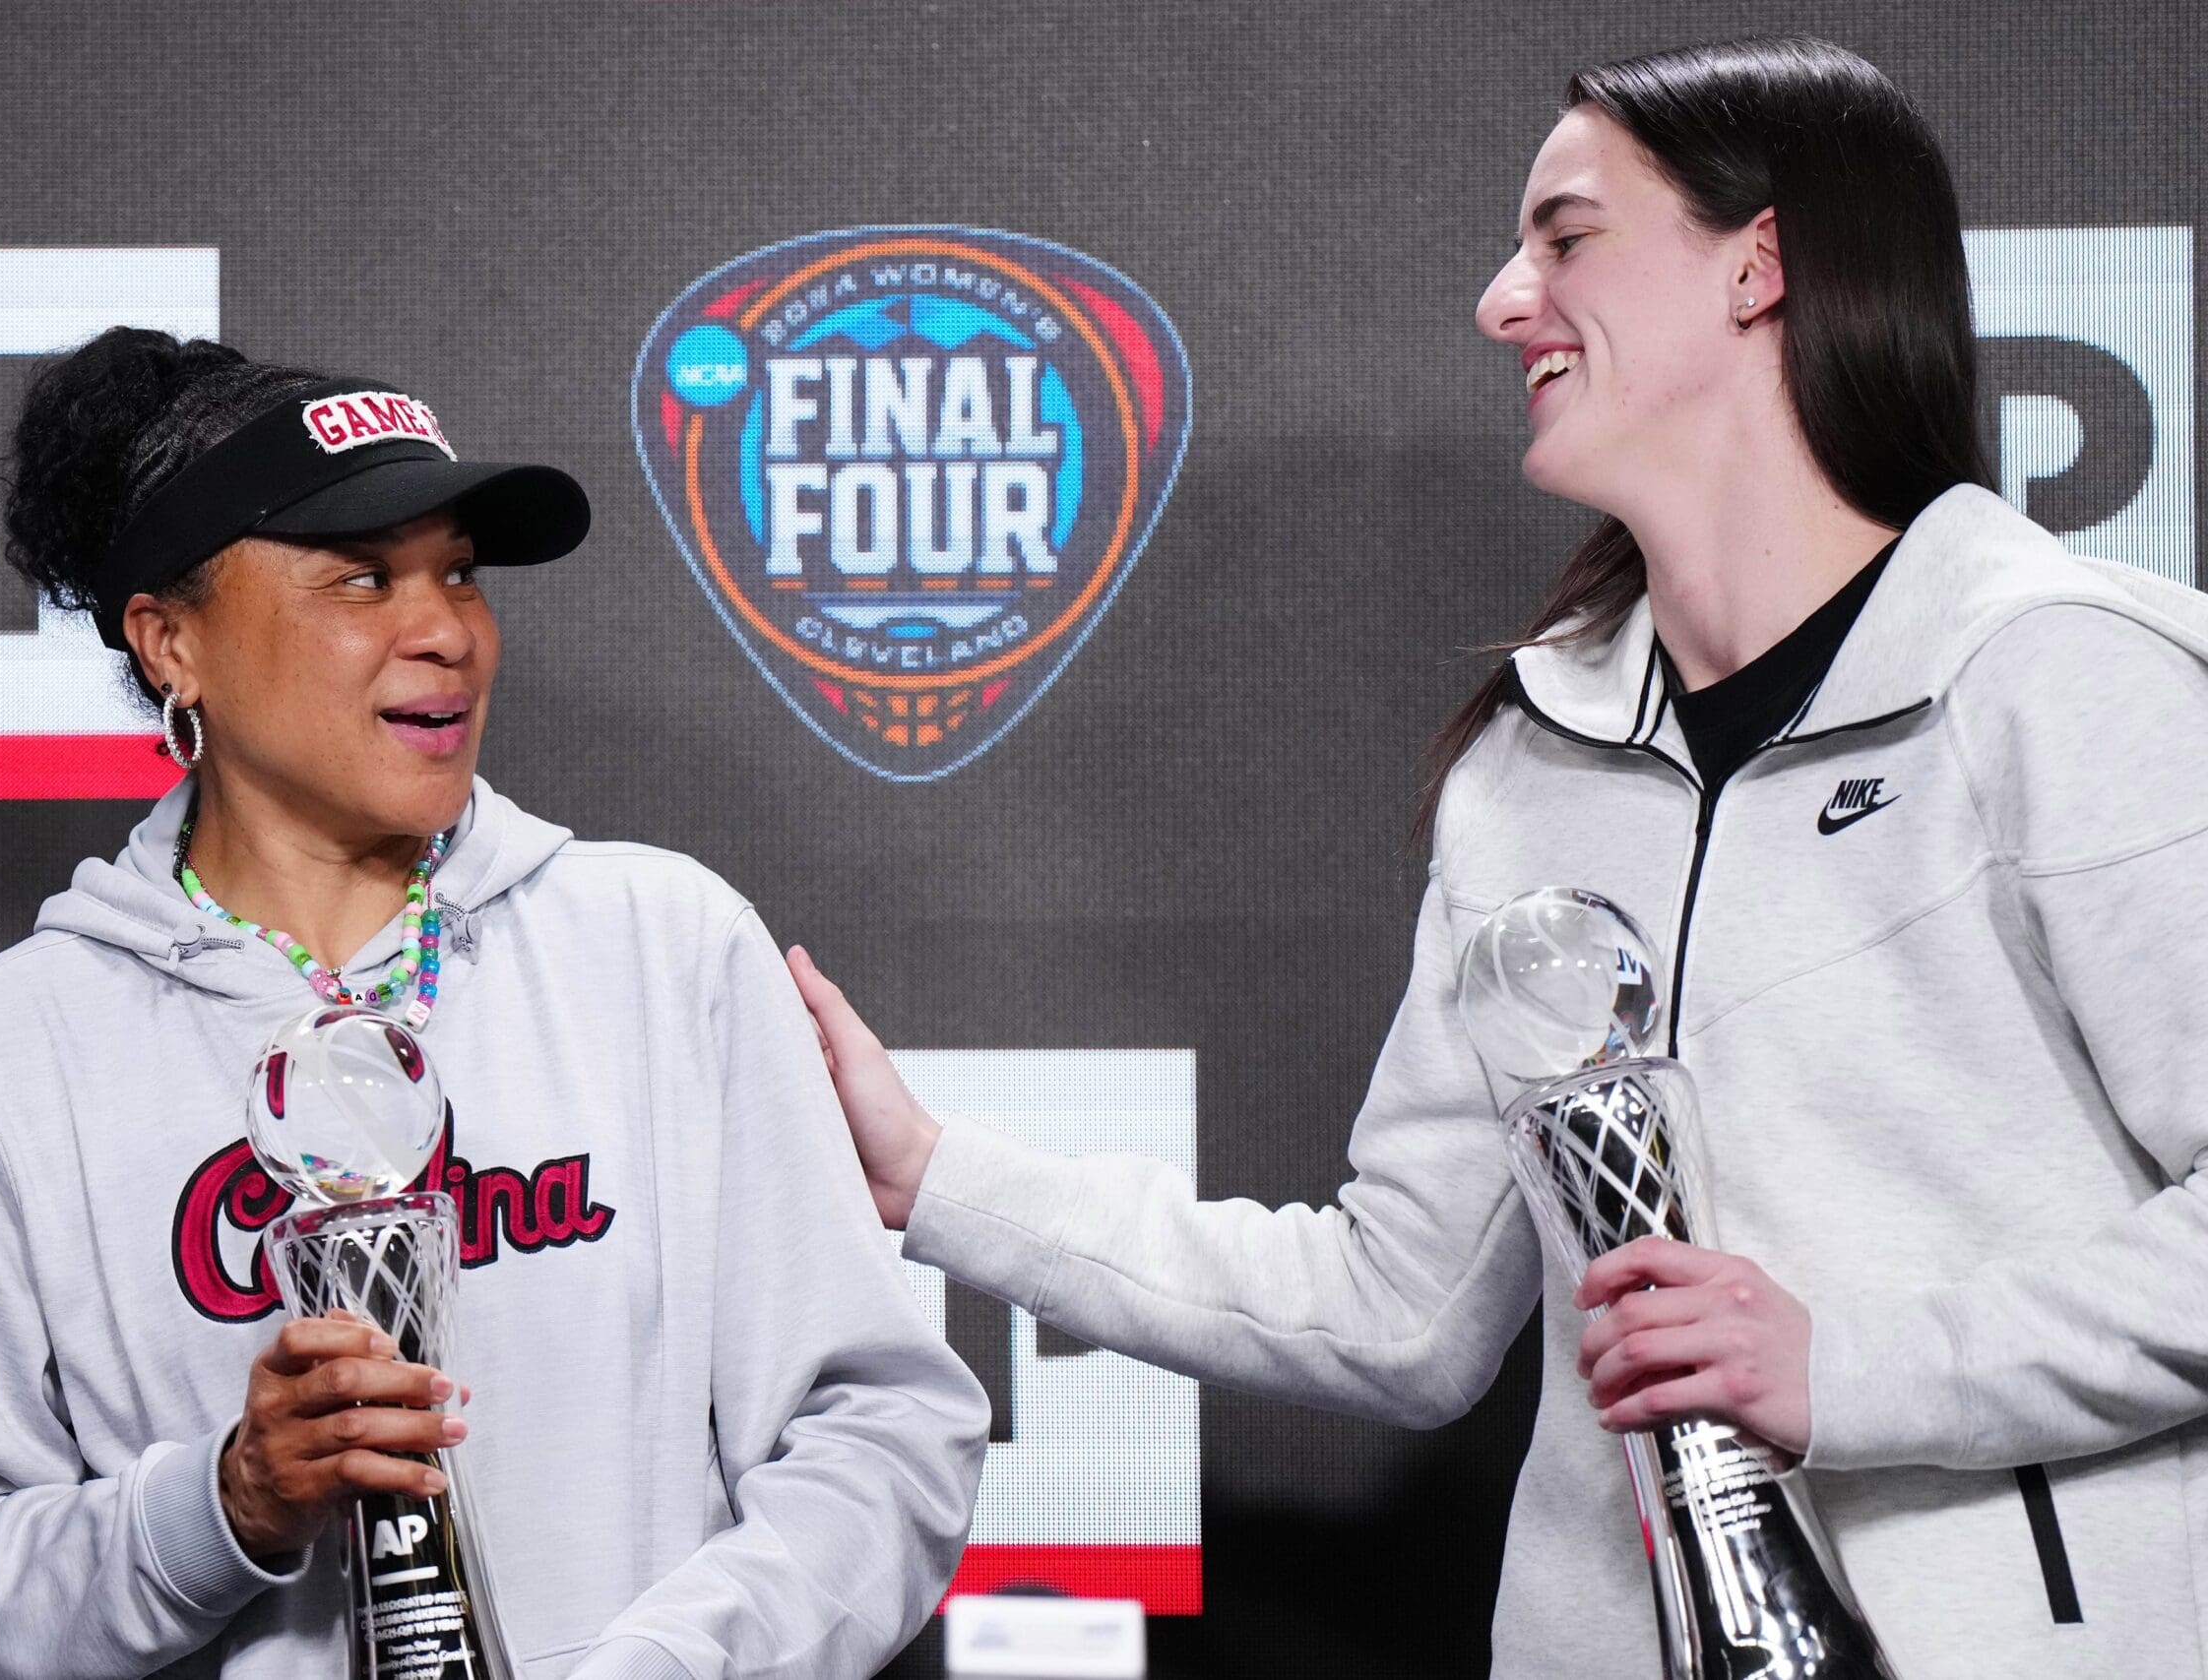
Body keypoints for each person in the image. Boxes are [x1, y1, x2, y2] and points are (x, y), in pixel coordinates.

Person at [787, 35, 2208, 1680]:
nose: (1501, 299)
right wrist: (931, 1175)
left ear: (1762, 263)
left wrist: (1860, 1367)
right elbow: (1406, 1306)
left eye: (1567, 234)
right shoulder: (1527, 764)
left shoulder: (2065, 673)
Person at [0, 329, 988, 1680]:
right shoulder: (5, 1058)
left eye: (460, 577)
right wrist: (222, 1505)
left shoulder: (662, 948)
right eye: (363, 578)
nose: (443, 632)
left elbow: (880, 1434)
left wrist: (668, 1667)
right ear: (172, 638)